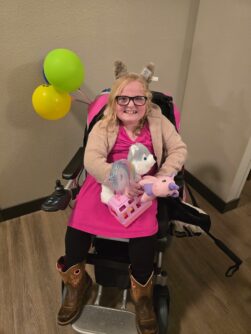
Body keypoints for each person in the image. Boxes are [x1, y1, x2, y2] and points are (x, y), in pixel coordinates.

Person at [56, 61, 187, 334]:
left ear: (147, 100)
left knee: (143, 240)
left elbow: (178, 149)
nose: (131, 104)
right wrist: (117, 179)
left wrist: (162, 175)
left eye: (138, 98)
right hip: (106, 182)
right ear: (114, 101)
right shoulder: (104, 123)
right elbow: (91, 158)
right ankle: (76, 286)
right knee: (76, 231)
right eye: (123, 98)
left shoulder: (158, 121)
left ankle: (142, 298)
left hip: (143, 187)